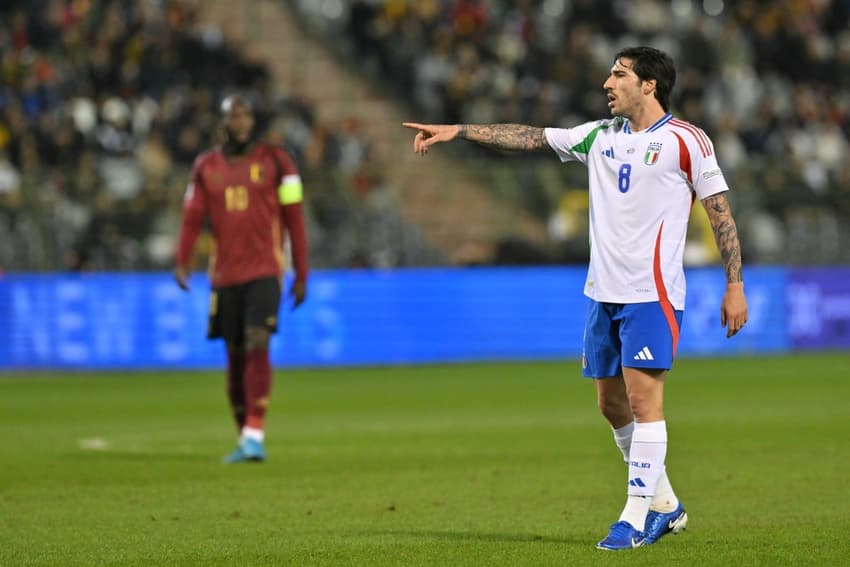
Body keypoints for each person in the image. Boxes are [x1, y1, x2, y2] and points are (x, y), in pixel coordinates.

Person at [403, 46, 748, 549]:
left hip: (651, 294)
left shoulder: (686, 141)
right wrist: (460, 131)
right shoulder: (597, 136)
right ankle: (667, 506)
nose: (608, 83)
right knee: (612, 405)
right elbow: (527, 138)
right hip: (601, 294)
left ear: (649, 85)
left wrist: (734, 285)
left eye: (619, 75)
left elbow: (720, 214)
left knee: (644, 401)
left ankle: (632, 519)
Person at [174, 95, 309, 463]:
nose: (241, 122)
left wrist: (302, 269)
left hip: (266, 269)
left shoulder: (279, 162)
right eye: (234, 116)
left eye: (247, 114)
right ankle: (244, 436)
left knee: (257, 339)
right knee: (234, 355)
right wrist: (182, 259)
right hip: (224, 273)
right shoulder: (205, 166)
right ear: (222, 122)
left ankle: (255, 430)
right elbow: (192, 216)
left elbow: (295, 218)